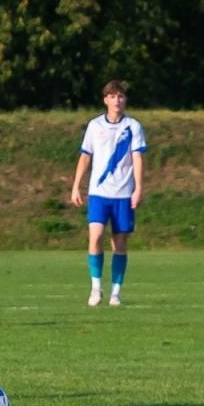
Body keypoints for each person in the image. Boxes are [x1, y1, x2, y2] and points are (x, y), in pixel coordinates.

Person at [70, 79, 146, 306]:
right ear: (105, 100)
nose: (117, 100)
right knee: (95, 237)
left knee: (119, 243)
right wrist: (76, 186)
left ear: (125, 100)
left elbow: (137, 157)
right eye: (112, 96)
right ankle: (96, 288)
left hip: (123, 194)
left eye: (120, 96)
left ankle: (115, 292)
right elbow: (85, 156)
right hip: (98, 193)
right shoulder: (95, 126)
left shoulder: (133, 126)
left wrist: (139, 188)